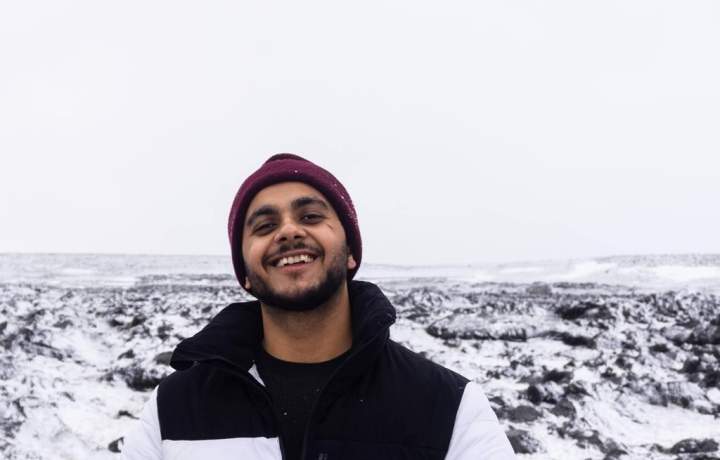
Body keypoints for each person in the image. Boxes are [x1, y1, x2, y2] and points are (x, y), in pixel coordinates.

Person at [121, 154, 516, 459]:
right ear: (244, 272)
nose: (289, 231)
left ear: (350, 252)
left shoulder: (449, 407)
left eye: (310, 216)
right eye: (264, 226)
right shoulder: (172, 411)